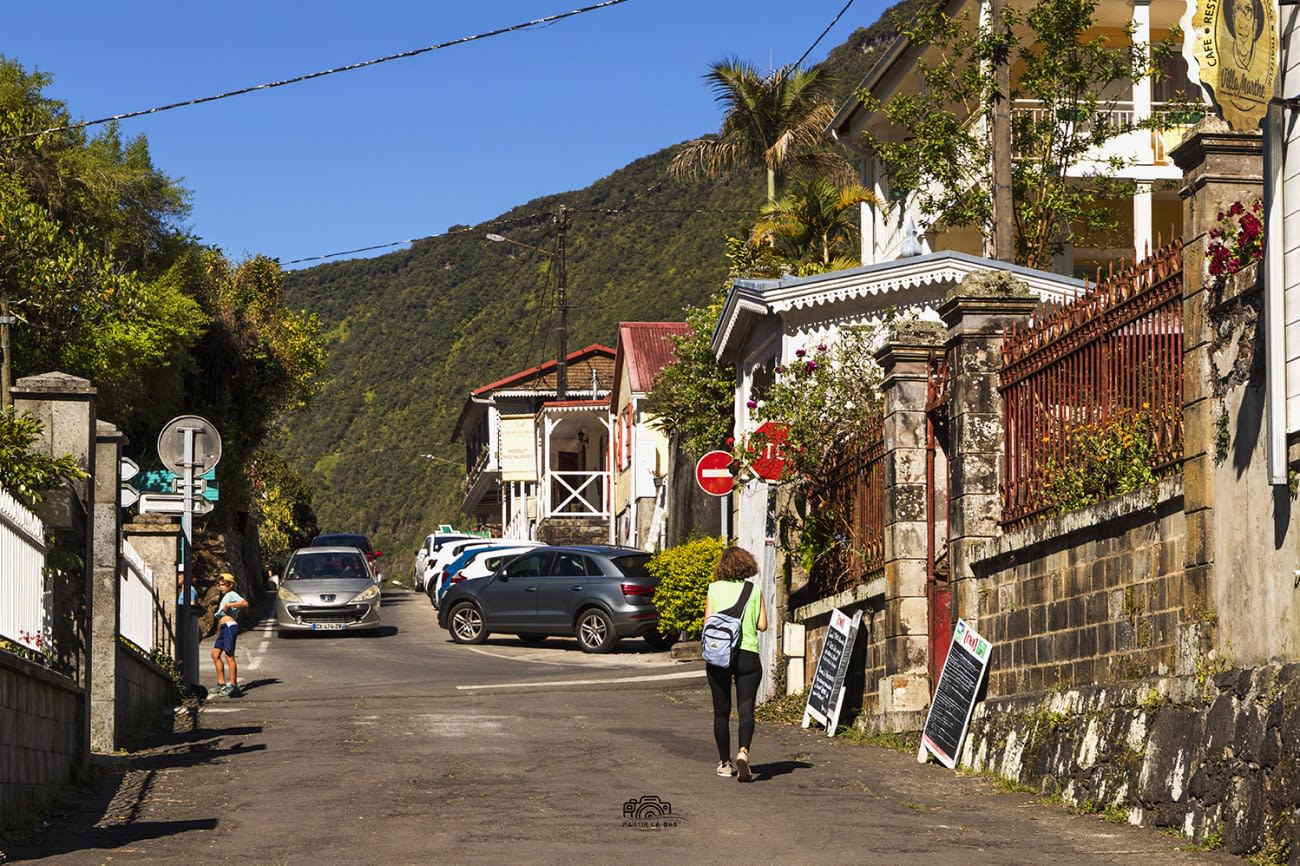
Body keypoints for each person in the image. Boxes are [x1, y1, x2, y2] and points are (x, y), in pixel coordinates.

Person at [703, 546, 766, 782]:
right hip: (748, 655)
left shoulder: (714, 589)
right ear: (747, 565)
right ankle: (743, 752)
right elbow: (762, 625)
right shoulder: (753, 590)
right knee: (746, 710)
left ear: (723, 566)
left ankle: (725, 764)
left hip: (720, 655)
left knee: (721, 712)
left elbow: (707, 623)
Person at [210, 573, 249, 697]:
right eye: (220, 585)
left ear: (230, 585)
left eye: (223, 585)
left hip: (230, 627)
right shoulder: (226, 595)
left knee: (229, 655)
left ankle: (233, 685)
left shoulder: (231, 594)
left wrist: (229, 605)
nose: (221, 587)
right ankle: (221, 684)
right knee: (215, 654)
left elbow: (245, 603)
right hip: (224, 628)